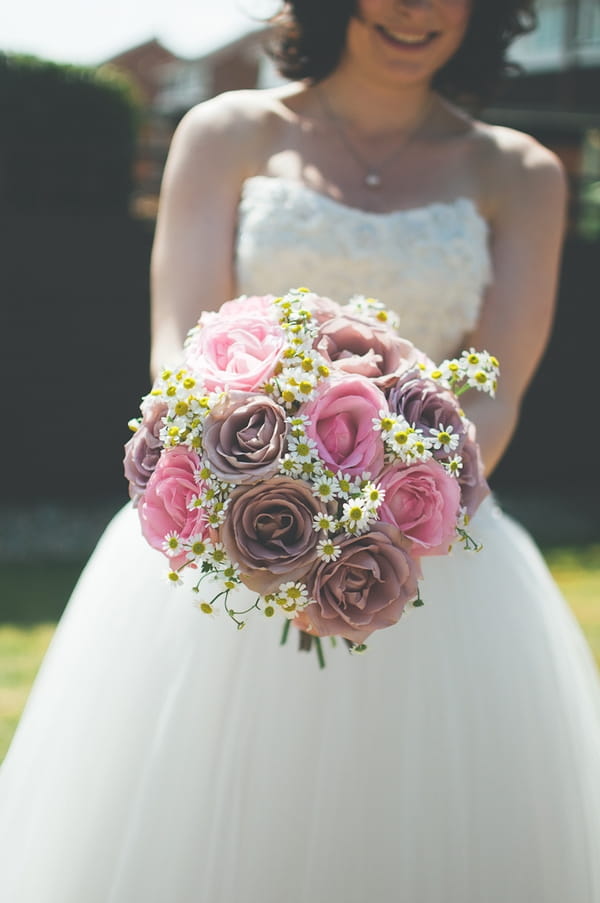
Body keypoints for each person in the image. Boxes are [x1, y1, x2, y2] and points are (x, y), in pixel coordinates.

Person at [1, 1, 599, 901]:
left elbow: (497, 388)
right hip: (225, 531)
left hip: (434, 546)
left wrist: (393, 522)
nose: (414, 6)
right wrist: (268, 506)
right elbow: (178, 348)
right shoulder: (225, 131)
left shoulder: (518, 171)